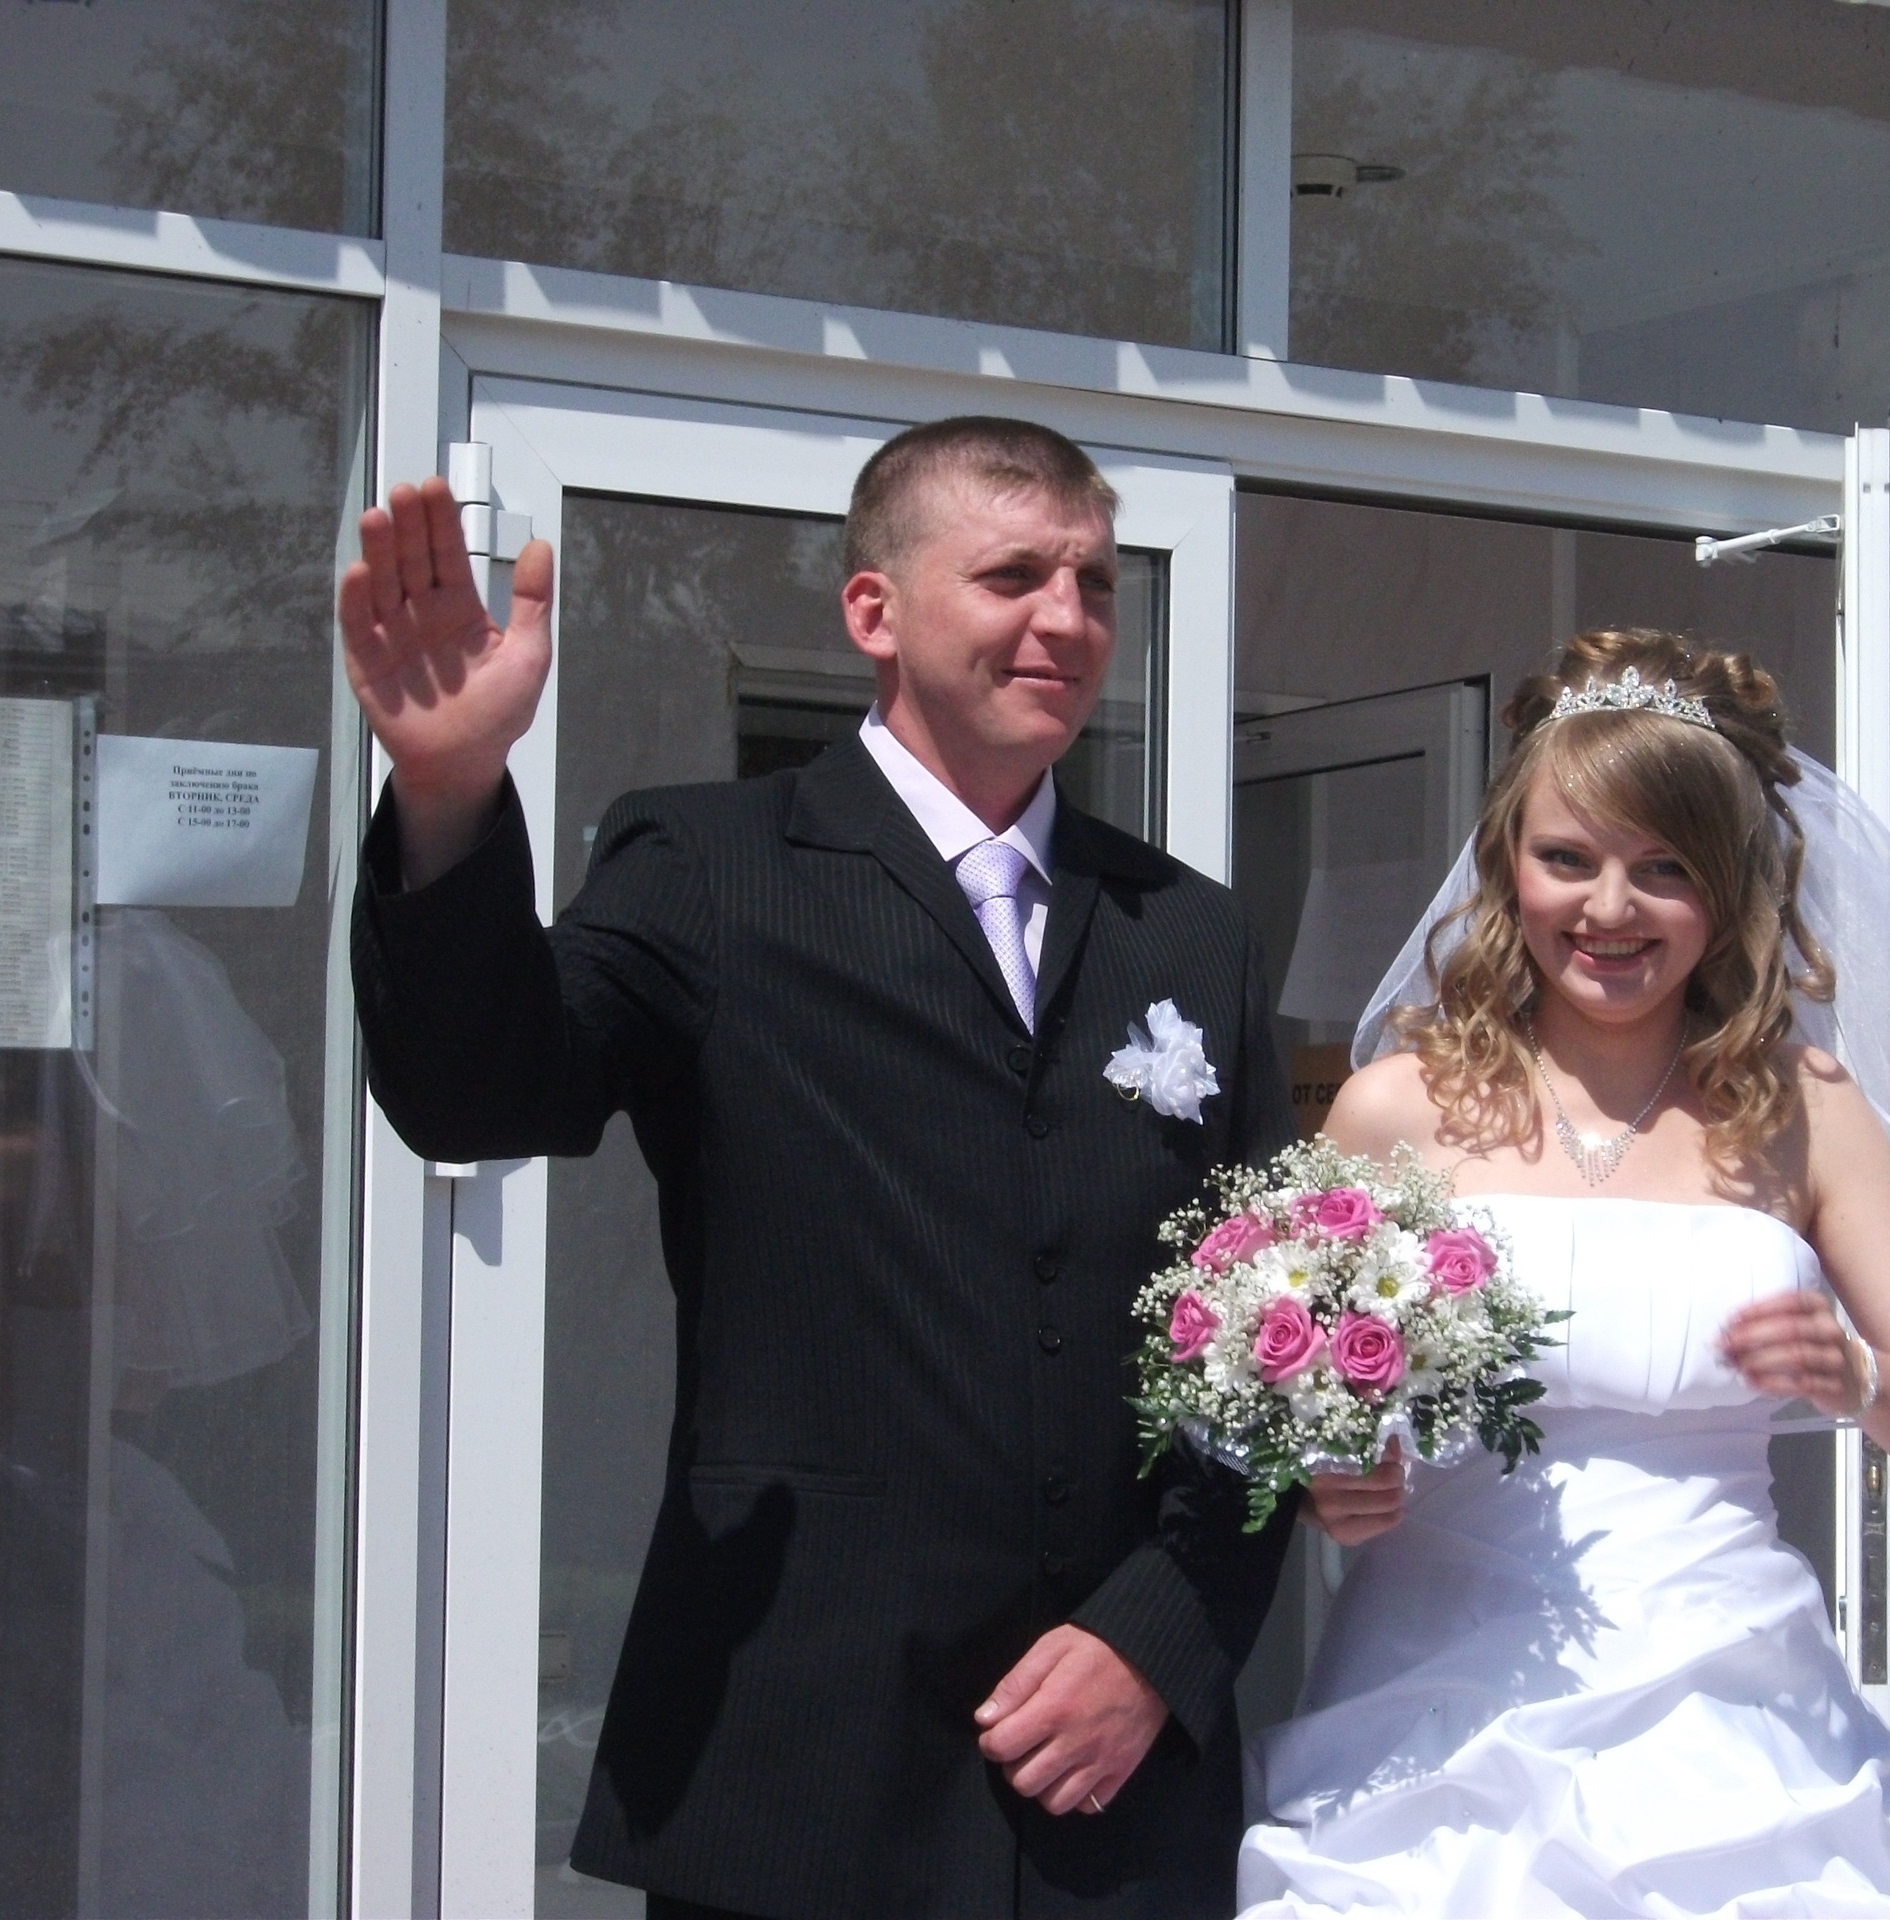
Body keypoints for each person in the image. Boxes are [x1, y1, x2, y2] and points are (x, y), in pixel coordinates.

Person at [344, 416, 1296, 1919]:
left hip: (1112, 1792)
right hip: (794, 1770)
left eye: (1096, 583)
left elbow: (1276, 1346)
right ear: (874, 613)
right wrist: (450, 793)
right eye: (1013, 576)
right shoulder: (707, 868)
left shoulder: (1189, 928)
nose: (1067, 618)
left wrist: (1162, 1641)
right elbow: (479, 1095)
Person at [1238, 630, 1890, 1918]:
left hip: (1730, 1719)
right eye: (1568, 859)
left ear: (1729, 890)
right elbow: (1277, 1415)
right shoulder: (1393, 1109)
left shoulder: (1807, 1108)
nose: (1610, 911)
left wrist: (1860, 1376)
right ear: (1508, 867)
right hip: (1435, 1714)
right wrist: (1320, 1484)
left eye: (1665, 868)